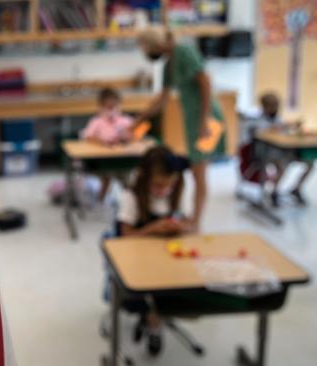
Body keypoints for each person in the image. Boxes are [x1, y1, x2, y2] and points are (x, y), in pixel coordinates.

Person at [135, 27, 225, 231]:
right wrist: (139, 119)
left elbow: (206, 82)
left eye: (146, 48)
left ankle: (196, 221)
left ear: (155, 44)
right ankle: (193, 218)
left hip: (206, 118)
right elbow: (162, 100)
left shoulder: (184, 52)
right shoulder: (169, 64)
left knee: (199, 171)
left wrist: (204, 120)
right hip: (193, 119)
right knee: (195, 168)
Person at [115, 146, 192, 355]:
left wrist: (183, 227)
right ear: (143, 177)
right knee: (155, 294)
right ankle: (154, 325)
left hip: (168, 258)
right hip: (138, 262)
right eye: (158, 184)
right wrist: (152, 229)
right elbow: (124, 238)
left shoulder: (176, 192)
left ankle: (155, 319)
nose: (164, 189)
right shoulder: (131, 197)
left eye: (170, 184)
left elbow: (186, 222)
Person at [248, 92, 314, 206]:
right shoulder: (258, 120)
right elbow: (262, 132)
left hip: (285, 151)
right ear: (265, 106)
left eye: (276, 105)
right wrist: (279, 128)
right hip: (267, 153)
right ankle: (274, 192)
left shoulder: (277, 118)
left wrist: (291, 127)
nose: (275, 108)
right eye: (272, 105)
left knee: (310, 163)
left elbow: (283, 131)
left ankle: (296, 189)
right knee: (283, 165)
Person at [80, 88, 134, 203]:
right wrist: (101, 141)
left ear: (119, 105)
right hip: (103, 161)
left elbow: (134, 137)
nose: (111, 110)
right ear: (101, 106)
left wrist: (126, 138)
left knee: (128, 180)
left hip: (123, 159)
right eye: (108, 107)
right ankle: (102, 198)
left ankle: (130, 201)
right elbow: (87, 136)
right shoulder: (96, 122)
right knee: (106, 176)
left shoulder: (126, 121)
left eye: (113, 106)